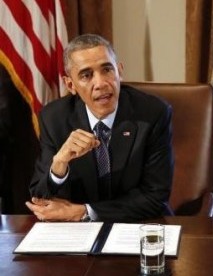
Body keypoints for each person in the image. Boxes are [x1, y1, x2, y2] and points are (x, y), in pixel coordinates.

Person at [26, 34, 174, 222]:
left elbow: (155, 198)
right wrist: (59, 164)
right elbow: (40, 198)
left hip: (140, 224)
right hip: (79, 235)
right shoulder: (54, 118)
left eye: (107, 70)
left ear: (120, 72)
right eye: (86, 75)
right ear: (70, 85)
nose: (101, 83)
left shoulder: (153, 114)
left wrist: (84, 211)